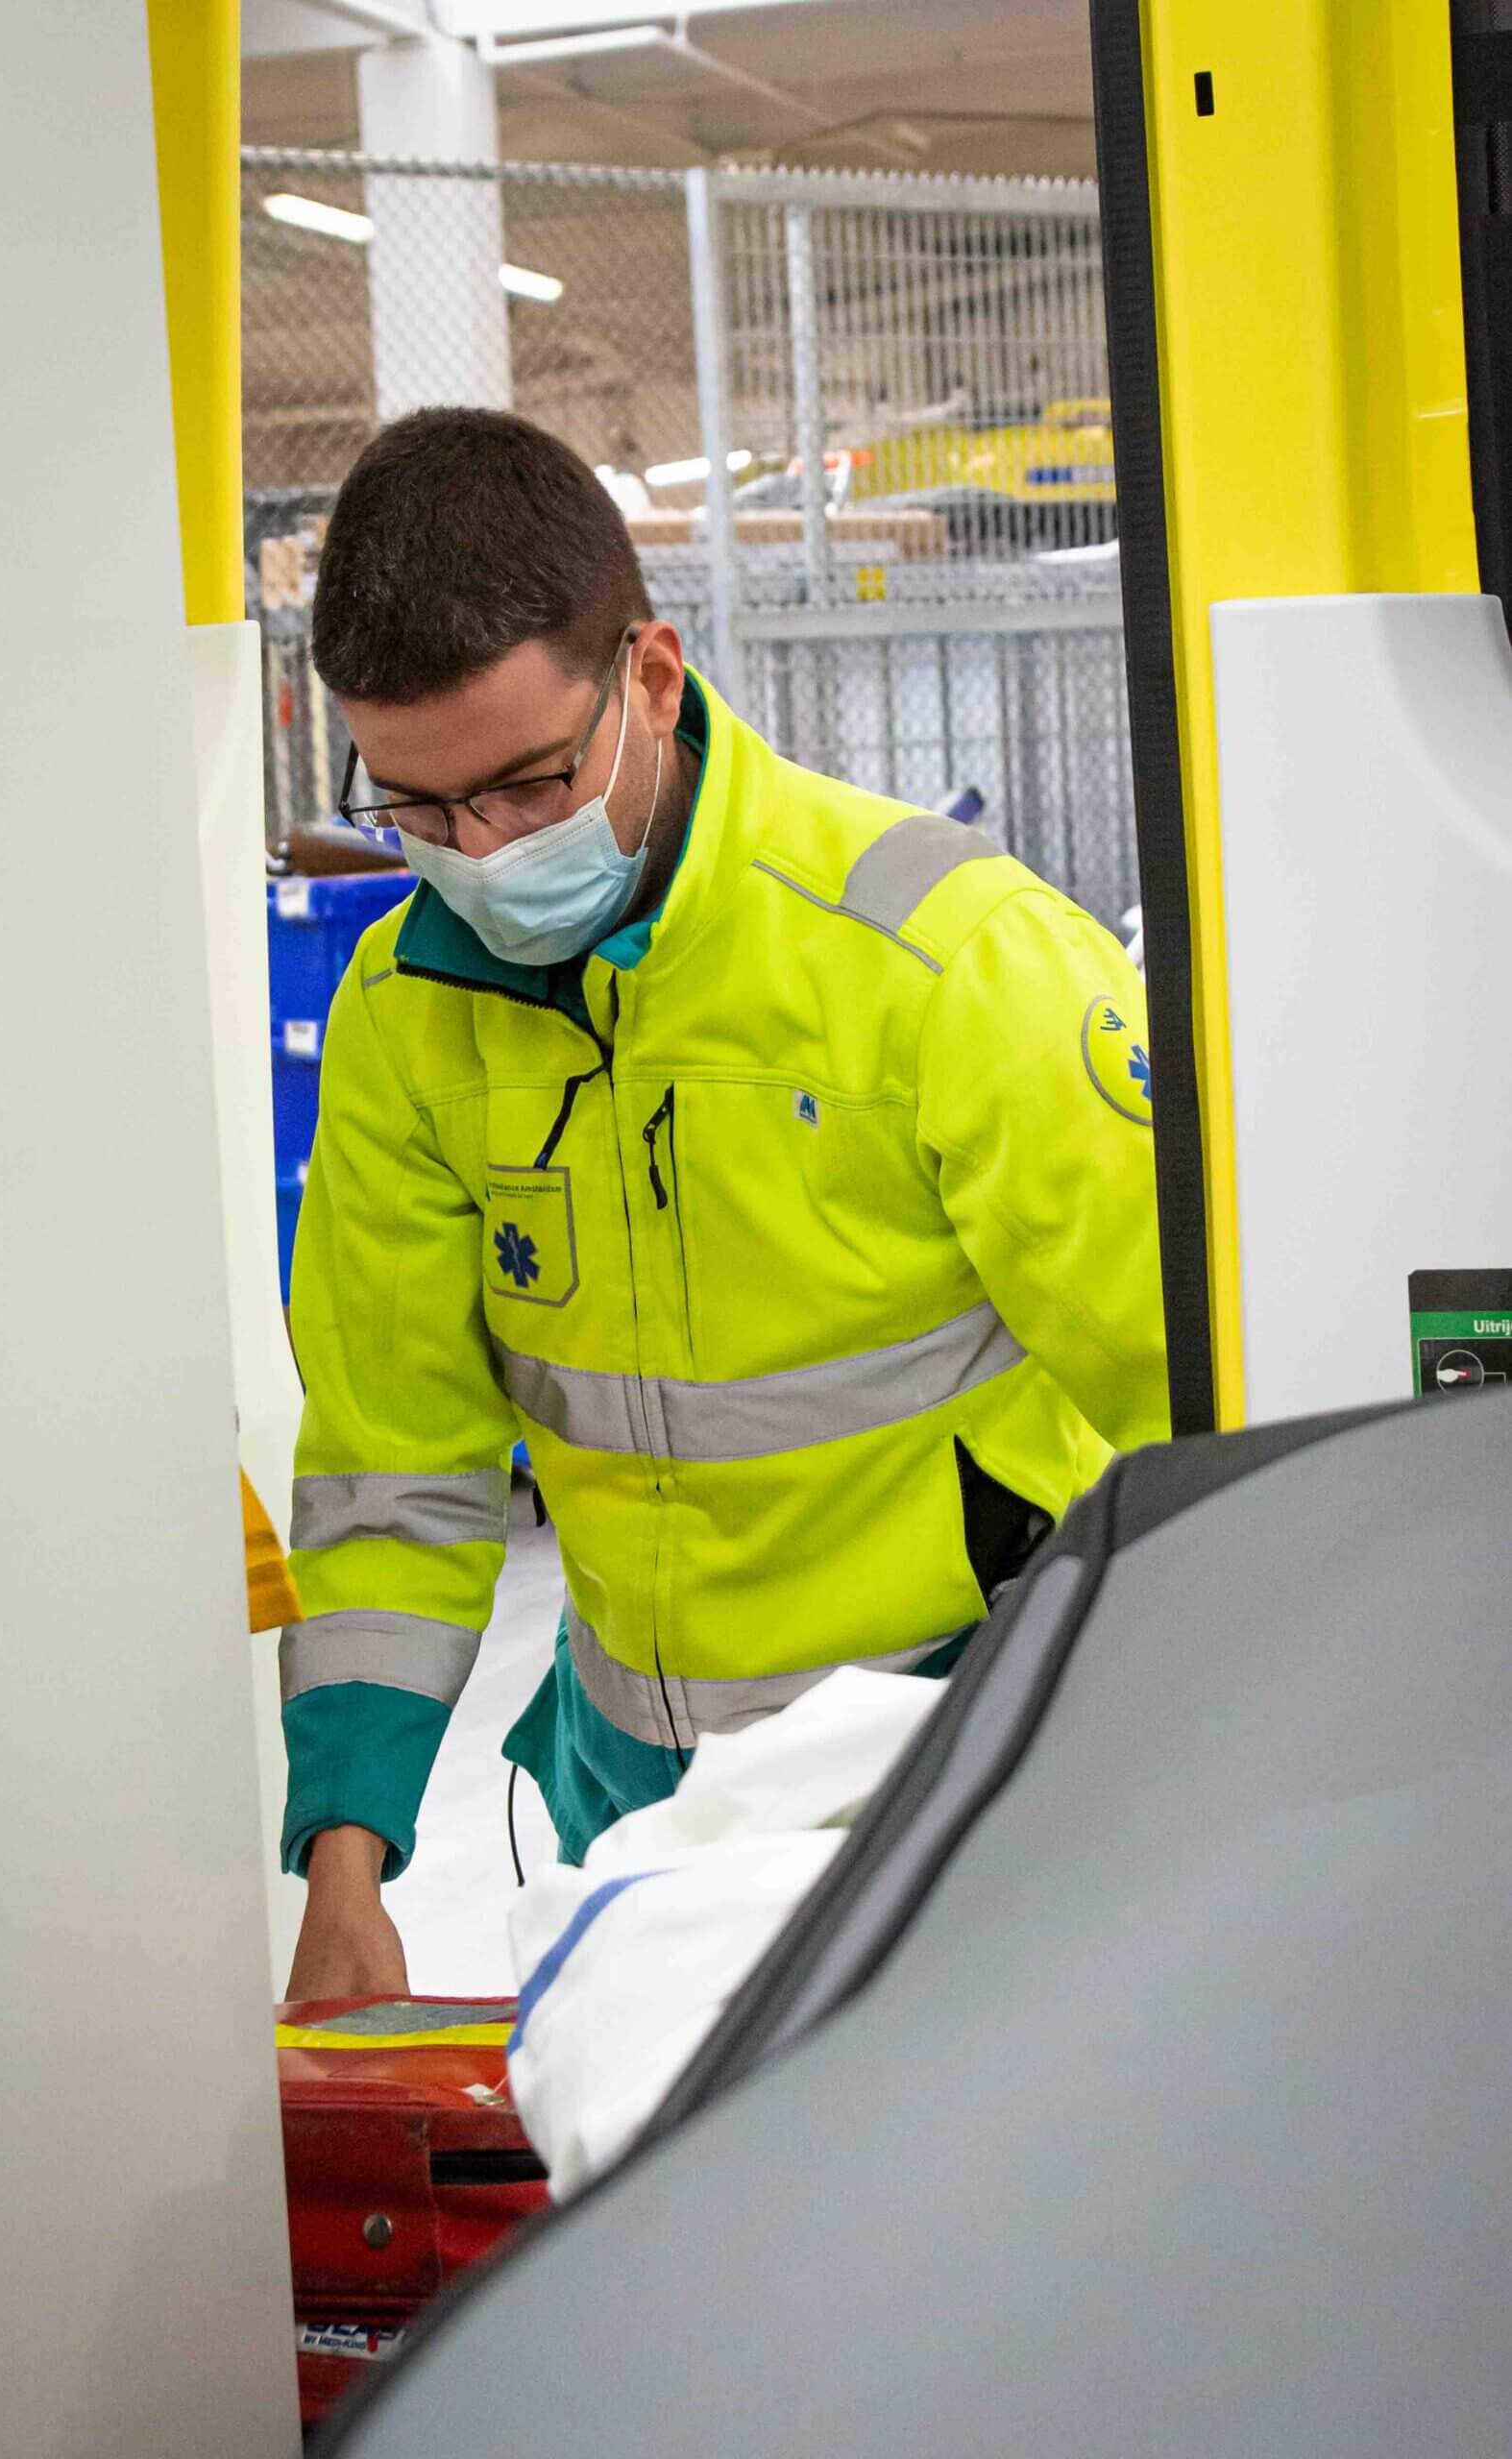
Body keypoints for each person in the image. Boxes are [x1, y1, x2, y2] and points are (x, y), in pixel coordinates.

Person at [281, 407, 1169, 1998]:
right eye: (417, 811)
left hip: (966, 1774)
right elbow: (394, 1459)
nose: (479, 855)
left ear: (653, 678)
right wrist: (346, 1864)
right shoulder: (404, 1014)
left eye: (528, 786)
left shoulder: (947, 961)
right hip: (638, 1813)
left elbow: (1204, 1401)